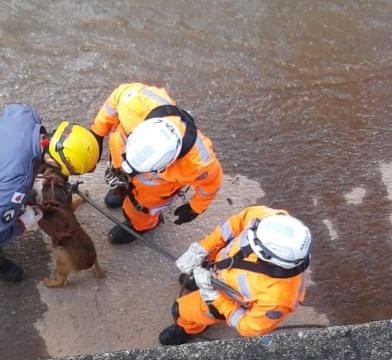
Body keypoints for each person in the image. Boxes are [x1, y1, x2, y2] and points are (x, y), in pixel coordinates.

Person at [0, 104, 100, 282]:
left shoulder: (26, 116)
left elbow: (13, 108)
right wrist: (21, 223)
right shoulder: (17, 180)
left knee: (17, 193)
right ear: (51, 158)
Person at [89, 83, 223, 244]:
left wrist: (195, 208)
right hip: (119, 162)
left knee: (141, 211)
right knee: (120, 182)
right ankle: (122, 187)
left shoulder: (199, 164)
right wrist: (97, 132)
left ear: (168, 163)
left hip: (152, 191)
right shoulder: (135, 102)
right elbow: (115, 100)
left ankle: (141, 225)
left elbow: (211, 185)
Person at [159, 205, 312, 345]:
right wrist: (202, 248)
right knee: (197, 279)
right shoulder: (268, 220)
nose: (251, 227)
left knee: (179, 310)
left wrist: (214, 298)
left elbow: (249, 328)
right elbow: (235, 224)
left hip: (226, 299)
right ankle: (201, 282)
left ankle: (188, 328)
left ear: (266, 254)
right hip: (219, 268)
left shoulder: (279, 298)